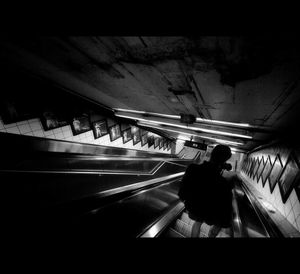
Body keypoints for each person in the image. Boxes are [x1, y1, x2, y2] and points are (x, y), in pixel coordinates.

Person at [178, 144, 235, 238]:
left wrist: (188, 203)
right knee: (213, 226)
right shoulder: (223, 183)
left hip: (194, 209)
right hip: (210, 213)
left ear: (211, 153)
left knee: (198, 222)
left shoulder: (192, 169)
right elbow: (225, 210)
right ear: (226, 159)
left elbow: (181, 193)